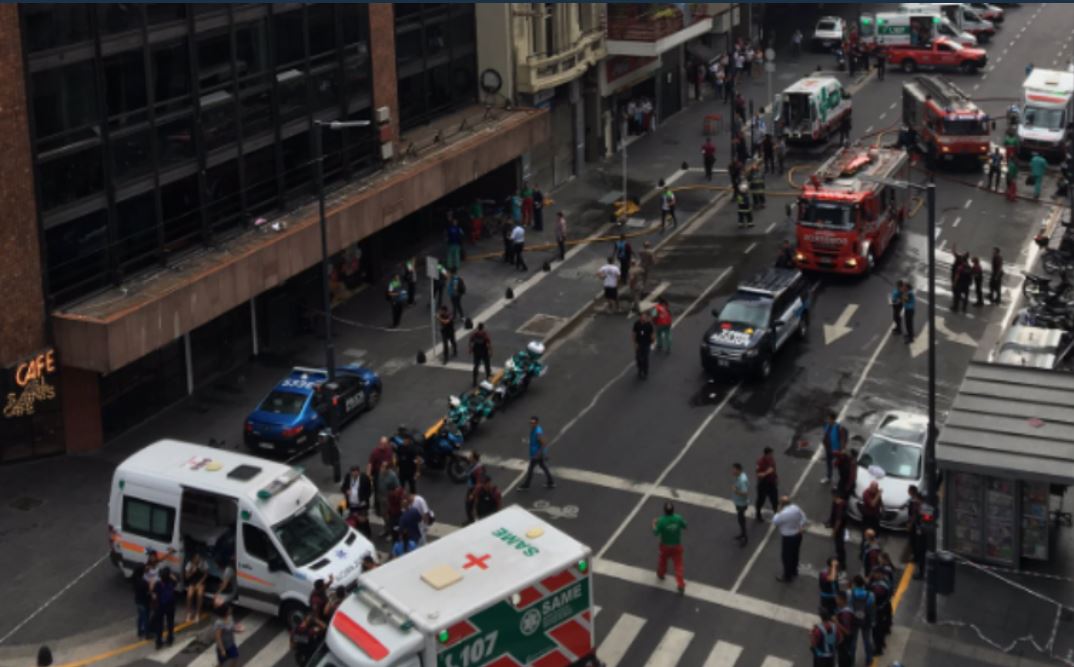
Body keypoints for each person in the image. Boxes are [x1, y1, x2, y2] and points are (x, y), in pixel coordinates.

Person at [652, 501, 687, 594]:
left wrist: (654, 524)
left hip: (665, 546)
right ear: (673, 510)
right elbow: (685, 525)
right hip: (676, 546)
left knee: (662, 561)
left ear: (664, 511)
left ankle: (661, 574)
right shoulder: (678, 518)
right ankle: (681, 585)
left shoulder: (661, 521)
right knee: (678, 565)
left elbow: (655, 532)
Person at [773, 496, 806, 582]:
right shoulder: (796, 508)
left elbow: (775, 521)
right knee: (795, 554)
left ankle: (787, 576)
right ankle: (794, 571)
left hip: (788, 537)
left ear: (781, 504)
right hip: (798, 535)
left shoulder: (782, 514)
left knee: (786, 557)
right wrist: (801, 526)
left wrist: (777, 511)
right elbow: (803, 517)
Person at [519, 416, 555, 490]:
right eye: (531, 422)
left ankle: (526, 485)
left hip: (537, 454)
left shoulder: (538, 432)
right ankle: (550, 482)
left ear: (537, 423)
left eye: (533, 423)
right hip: (536, 453)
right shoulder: (534, 429)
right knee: (543, 466)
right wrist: (528, 441)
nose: (531, 424)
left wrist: (538, 454)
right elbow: (535, 441)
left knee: (530, 469)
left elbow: (543, 443)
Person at [341, 464, 373, 540]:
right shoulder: (348, 477)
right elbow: (343, 487)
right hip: (352, 504)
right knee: (355, 519)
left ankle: (368, 534)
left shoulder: (364, 478)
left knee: (364, 520)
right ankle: (359, 533)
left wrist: (364, 499)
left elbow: (369, 490)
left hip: (362, 504)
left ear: (358, 472)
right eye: (352, 472)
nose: (354, 474)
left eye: (355, 472)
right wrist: (346, 491)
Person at [849, 576, 875, 665]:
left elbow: (849, 608)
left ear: (855, 584)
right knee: (867, 641)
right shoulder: (870, 595)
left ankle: (851, 661)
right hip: (866, 620)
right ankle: (869, 659)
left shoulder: (850, 594)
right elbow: (872, 609)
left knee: (853, 642)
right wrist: (872, 620)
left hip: (854, 620)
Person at [151, 567, 177, 649]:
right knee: (170, 622)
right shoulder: (172, 582)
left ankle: (158, 642)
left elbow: (154, 595)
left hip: (160, 606)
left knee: (159, 624)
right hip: (170, 606)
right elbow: (176, 580)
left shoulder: (158, 584)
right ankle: (170, 639)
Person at [368, 436, 394, 516]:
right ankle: (378, 509)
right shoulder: (375, 452)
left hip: (387, 472)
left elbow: (391, 460)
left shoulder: (389, 450)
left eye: (384, 444)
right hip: (377, 474)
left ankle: (387, 507)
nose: (383, 445)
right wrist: (368, 475)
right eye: (381, 443)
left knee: (388, 490)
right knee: (377, 492)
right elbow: (370, 464)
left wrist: (390, 465)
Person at [393, 429, 421, 494]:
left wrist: (417, 471)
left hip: (411, 471)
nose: (405, 441)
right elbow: (397, 456)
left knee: (412, 487)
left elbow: (417, 459)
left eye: (406, 439)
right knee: (401, 487)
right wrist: (397, 467)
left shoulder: (412, 449)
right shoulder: (400, 447)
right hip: (402, 471)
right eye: (404, 439)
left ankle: (413, 499)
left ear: (409, 440)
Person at [821, 411, 846, 485]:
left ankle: (839, 481)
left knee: (837, 465)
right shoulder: (827, 425)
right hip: (828, 448)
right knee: (829, 463)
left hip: (836, 450)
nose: (827, 420)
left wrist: (841, 450)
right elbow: (825, 434)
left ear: (832, 419)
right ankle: (829, 477)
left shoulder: (839, 427)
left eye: (829, 419)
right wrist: (824, 442)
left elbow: (842, 439)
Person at [834, 591, 858, 667]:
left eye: (837, 599)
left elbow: (847, 632)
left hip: (845, 643)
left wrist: (836, 622)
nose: (836, 600)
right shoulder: (842, 609)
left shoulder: (845, 614)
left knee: (844, 661)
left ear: (843, 600)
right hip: (843, 642)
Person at [907, 485, 926, 578]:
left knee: (920, 549)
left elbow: (915, 516)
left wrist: (911, 524)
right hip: (919, 530)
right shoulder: (917, 504)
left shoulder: (918, 506)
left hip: (920, 530)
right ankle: (917, 559)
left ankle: (921, 572)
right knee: (917, 546)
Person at [183, 553, 209, 622]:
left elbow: (206, 574)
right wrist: (192, 571)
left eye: (199, 559)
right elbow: (187, 577)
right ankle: (189, 613)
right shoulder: (189, 564)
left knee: (200, 595)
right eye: (196, 559)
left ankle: (197, 614)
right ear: (193, 559)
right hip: (192, 582)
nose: (197, 560)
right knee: (189, 595)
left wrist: (200, 583)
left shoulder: (203, 563)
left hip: (200, 582)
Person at [754, 446, 779, 521]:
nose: (772, 455)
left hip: (772, 483)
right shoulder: (760, 462)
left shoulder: (771, 460)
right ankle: (758, 514)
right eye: (770, 454)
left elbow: (774, 469)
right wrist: (767, 472)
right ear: (766, 454)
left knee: (775, 500)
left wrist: (776, 478)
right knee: (761, 500)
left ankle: (776, 514)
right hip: (763, 484)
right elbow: (758, 474)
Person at [827, 488, 849, 566]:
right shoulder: (840, 503)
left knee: (839, 545)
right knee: (839, 546)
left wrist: (834, 532)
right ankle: (840, 558)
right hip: (841, 527)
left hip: (839, 530)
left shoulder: (839, 506)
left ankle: (842, 563)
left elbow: (838, 521)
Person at [632, 310, 655, 380]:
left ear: (646, 317)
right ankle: (640, 369)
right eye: (642, 316)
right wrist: (635, 343)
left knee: (645, 358)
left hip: (646, 344)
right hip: (639, 344)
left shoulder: (649, 325)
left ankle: (645, 371)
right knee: (638, 358)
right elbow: (634, 334)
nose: (643, 318)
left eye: (644, 317)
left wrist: (653, 342)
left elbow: (652, 334)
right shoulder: (637, 324)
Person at [731, 463, 750, 546]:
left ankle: (744, 538)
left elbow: (745, 493)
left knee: (741, 521)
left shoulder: (741, 480)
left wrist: (735, 491)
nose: (733, 471)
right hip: (740, 502)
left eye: (734, 469)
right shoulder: (741, 476)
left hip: (741, 504)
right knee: (741, 520)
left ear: (738, 470)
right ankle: (742, 534)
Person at [464, 452, 485, 524]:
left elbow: (479, 484)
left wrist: (473, 494)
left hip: (475, 490)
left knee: (471, 506)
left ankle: (472, 521)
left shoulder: (478, 469)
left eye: (470, 456)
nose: (468, 457)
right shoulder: (472, 465)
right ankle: (470, 520)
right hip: (471, 487)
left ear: (474, 458)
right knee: (468, 506)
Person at [469, 322, 492, 387]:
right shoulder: (484, 334)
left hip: (477, 352)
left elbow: (470, 341)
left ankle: (475, 380)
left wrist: (470, 348)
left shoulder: (475, 334)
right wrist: (490, 351)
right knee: (486, 365)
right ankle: (488, 376)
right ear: (482, 328)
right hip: (483, 352)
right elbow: (488, 343)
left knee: (476, 366)